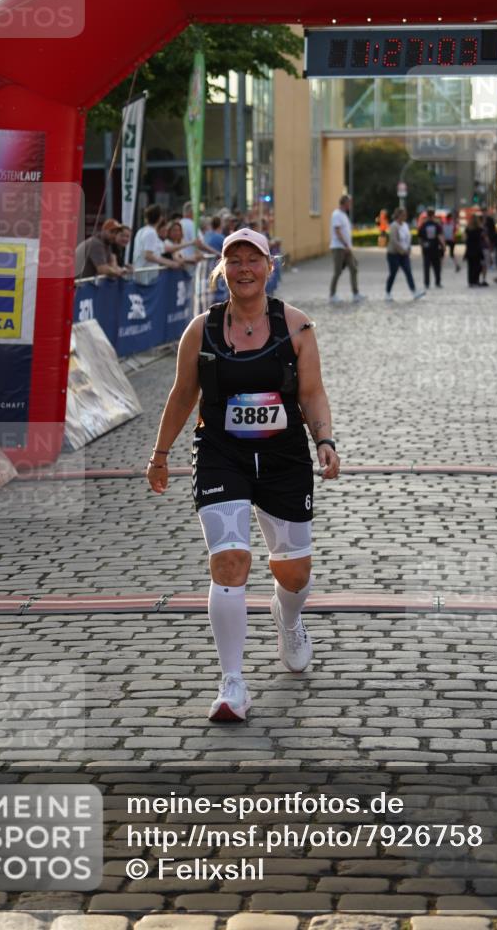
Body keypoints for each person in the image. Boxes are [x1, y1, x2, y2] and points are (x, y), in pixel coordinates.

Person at [146, 227, 340, 722]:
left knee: (294, 572)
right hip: (221, 454)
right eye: (235, 261)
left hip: (284, 459)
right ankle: (232, 683)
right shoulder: (201, 330)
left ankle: (287, 618)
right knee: (229, 561)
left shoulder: (296, 327)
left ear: (269, 267)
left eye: (254, 259)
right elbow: (182, 395)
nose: (245, 268)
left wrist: (325, 441)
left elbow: (312, 392)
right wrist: (161, 452)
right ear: (223, 270)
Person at [329, 194, 365, 304]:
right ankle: (332, 295)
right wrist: (345, 245)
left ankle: (356, 293)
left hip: (346, 248)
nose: (351, 205)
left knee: (354, 268)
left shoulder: (344, 214)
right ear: (344, 203)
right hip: (339, 247)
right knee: (338, 271)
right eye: (349, 202)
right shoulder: (336, 214)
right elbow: (337, 231)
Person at [385, 208, 425, 302]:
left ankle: (414, 291)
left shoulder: (405, 225)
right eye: (403, 214)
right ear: (398, 215)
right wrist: (402, 250)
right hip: (394, 254)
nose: (405, 216)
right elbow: (394, 240)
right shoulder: (394, 226)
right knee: (393, 273)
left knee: (408, 272)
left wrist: (408, 248)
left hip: (404, 254)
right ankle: (388, 292)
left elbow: (408, 238)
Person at [418, 208, 445, 289]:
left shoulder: (423, 225)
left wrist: (422, 246)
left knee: (426, 267)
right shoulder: (436, 225)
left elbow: (420, 239)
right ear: (433, 215)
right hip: (435, 248)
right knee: (437, 266)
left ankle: (427, 283)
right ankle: (437, 282)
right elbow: (440, 237)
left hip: (426, 248)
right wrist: (443, 246)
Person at [464, 214, 487, 287]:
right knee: (477, 266)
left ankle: (471, 281)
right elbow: (483, 237)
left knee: (470, 266)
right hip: (477, 249)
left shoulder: (468, 229)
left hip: (469, 249)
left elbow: (465, 238)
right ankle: (476, 280)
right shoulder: (479, 229)